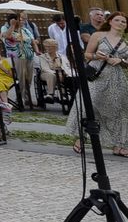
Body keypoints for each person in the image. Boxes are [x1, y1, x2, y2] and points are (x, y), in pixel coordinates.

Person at [68, 10, 128, 156]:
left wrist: (121, 60)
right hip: (96, 75)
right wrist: (97, 56)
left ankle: (119, 144)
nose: (120, 23)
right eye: (117, 20)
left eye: (123, 21)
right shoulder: (98, 35)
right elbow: (87, 55)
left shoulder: (125, 40)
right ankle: (81, 138)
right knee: (90, 106)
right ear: (110, 21)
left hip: (116, 78)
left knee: (118, 110)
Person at [1, 13, 36, 109]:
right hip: (17, 56)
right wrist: (12, 26)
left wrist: (36, 50)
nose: (22, 21)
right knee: (21, 77)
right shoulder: (5, 28)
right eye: (19, 20)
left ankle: (27, 97)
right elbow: (6, 36)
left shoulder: (24, 30)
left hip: (28, 56)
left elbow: (32, 40)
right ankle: (20, 98)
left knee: (28, 78)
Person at [35, 37, 75, 107]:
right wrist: (56, 73)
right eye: (46, 46)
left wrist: (64, 73)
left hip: (61, 73)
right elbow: (45, 68)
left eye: (50, 46)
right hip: (46, 73)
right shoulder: (42, 57)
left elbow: (67, 66)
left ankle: (64, 94)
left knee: (68, 77)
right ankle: (50, 94)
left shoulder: (62, 56)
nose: (48, 48)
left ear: (56, 47)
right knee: (52, 75)